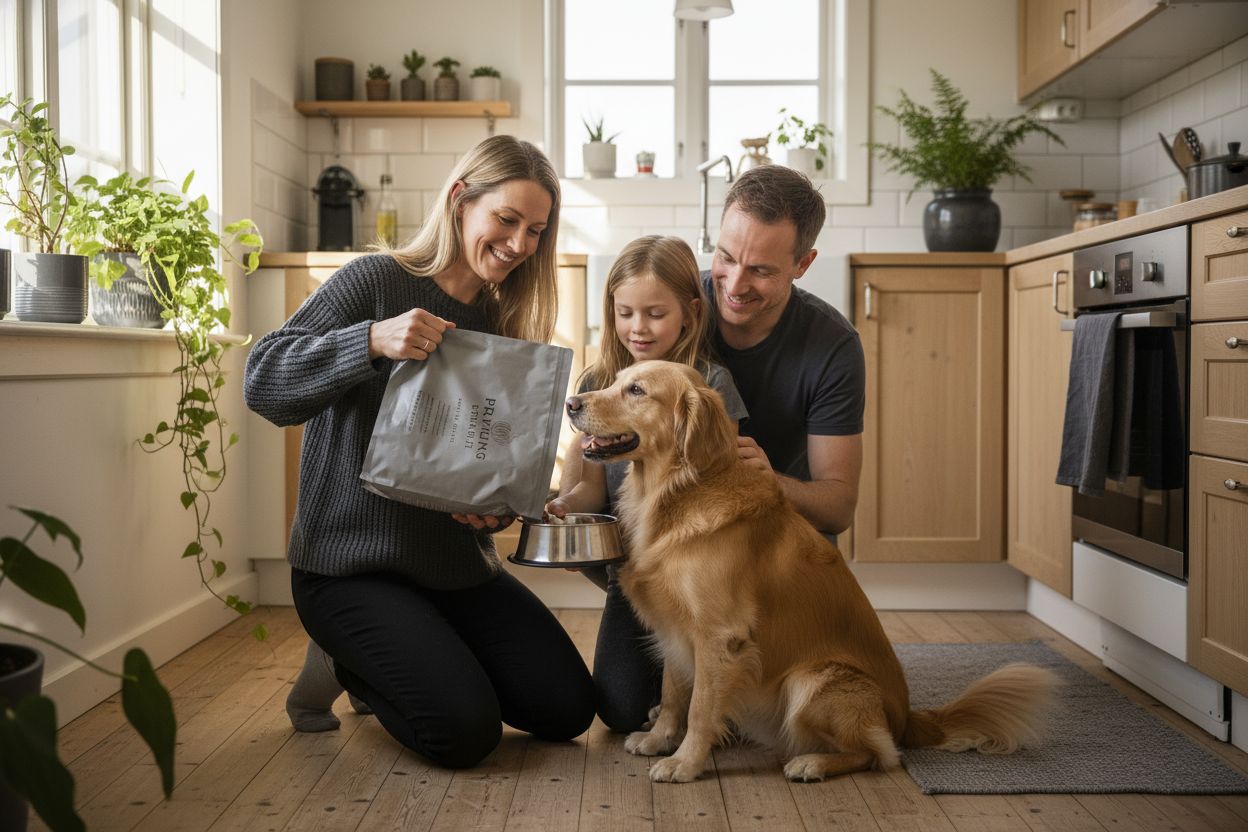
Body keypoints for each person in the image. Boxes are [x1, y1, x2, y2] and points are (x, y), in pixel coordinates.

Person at [244, 135, 595, 769]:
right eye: (507, 220)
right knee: (463, 734)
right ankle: (350, 661)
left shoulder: (503, 321)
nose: (520, 244)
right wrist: (371, 341)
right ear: (462, 200)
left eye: (536, 230)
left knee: (566, 710)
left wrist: (498, 511)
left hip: (454, 569)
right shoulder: (378, 281)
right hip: (349, 569)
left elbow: (494, 468)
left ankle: (414, 648)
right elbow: (264, 382)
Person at [544, 235, 748, 732]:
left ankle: (717, 705)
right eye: (625, 312)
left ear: (689, 313)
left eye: (655, 314)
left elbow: (721, 488)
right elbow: (591, 487)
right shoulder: (601, 381)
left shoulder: (707, 385)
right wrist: (565, 506)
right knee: (619, 712)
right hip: (632, 573)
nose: (638, 328)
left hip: (692, 574)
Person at [705, 164, 865, 536]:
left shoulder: (834, 347)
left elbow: (838, 509)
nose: (735, 285)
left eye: (760, 270)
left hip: (781, 540)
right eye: (726, 257)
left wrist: (764, 480)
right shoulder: (677, 309)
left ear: (803, 264)